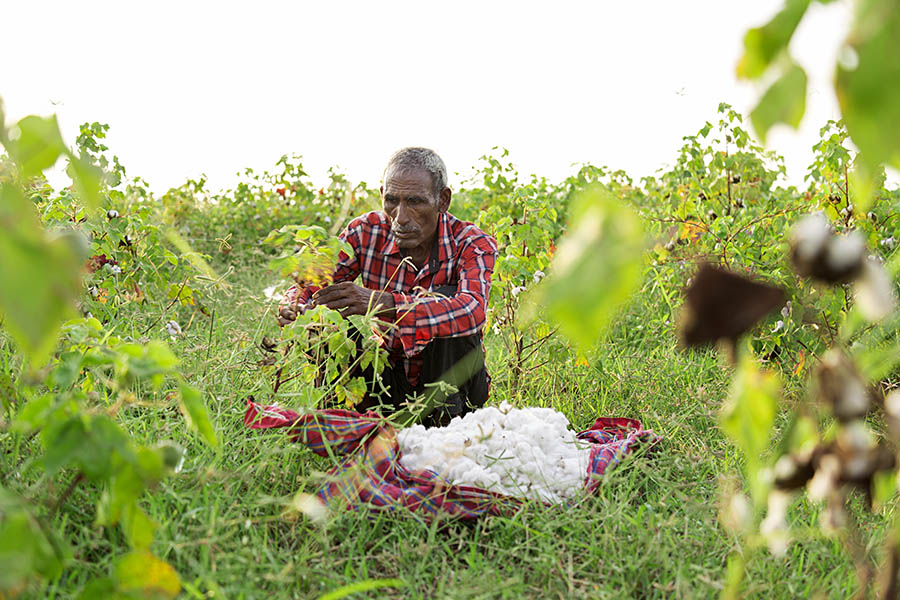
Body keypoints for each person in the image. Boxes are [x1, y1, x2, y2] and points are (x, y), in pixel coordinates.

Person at [277, 147, 498, 425]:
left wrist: (385, 303)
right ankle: (346, 421)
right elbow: (307, 288)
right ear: (382, 194)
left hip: (452, 386)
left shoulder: (471, 242)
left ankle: (445, 424)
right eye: (392, 200)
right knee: (323, 321)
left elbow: (472, 311)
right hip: (385, 380)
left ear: (442, 200)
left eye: (415, 202)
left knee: (444, 300)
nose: (401, 217)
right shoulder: (365, 232)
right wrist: (294, 308)